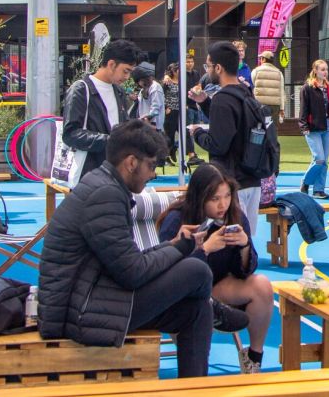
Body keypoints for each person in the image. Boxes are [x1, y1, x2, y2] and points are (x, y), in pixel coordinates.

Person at [38, 120, 248, 377]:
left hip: (92, 299)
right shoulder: (105, 195)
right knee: (196, 271)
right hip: (81, 311)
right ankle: (212, 305)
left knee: (196, 310)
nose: (152, 174)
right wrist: (180, 248)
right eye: (151, 165)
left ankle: (193, 389)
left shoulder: (104, 185)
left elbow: (128, 261)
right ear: (130, 163)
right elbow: (132, 272)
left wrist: (174, 245)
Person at [157, 164, 272, 374]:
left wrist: (244, 245)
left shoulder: (235, 216)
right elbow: (165, 272)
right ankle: (197, 370)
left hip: (218, 285)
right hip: (183, 294)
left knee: (262, 285)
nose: (223, 204)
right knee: (194, 301)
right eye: (215, 198)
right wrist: (205, 250)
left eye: (227, 196)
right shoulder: (177, 220)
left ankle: (253, 357)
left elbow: (245, 271)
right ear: (200, 197)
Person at [189, 42, 263, 235]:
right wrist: (205, 103)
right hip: (252, 177)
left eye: (208, 66)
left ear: (218, 68)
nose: (207, 70)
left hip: (231, 182)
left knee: (232, 242)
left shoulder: (223, 99)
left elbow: (218, 144)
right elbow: (234, 124)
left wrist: (197, 133)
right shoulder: (246, 93)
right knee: (246, 241)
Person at [61, 39, 139, 179]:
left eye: (130, 72)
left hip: (115, 171)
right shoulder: (80, 89)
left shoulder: (119, 91)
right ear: (111, 64)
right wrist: (110, 140)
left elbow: (122, 127)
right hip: (88, 173)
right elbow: (70, 134)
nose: (127, 77)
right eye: (125, 71)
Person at [298, 59, 329, 199]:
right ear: (315, 71)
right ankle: (305, 182)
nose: (325, 72)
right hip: (313, 128)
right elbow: (303, 109)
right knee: (319, 159)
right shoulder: (307, 88)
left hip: (327, 127)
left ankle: (318, 190)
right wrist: (303, 126)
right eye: (322, 69)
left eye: (326, 69)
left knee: (324, 161)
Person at [251, 51, 285, 122]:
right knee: (272, 128)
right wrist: (282, 108)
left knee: (259, 128)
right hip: (275, 106)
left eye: (261, 58)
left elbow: (253, 84)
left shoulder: (256, 71)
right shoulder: (279, 73)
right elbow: (281, 91)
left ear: (263, 59)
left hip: (259, 104)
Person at [132, 63, 165, 133]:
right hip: (145, 122)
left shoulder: (155, 88)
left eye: (138, 81)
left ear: (143, 79)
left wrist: (146, 118)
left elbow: (156, 107)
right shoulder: (144, 89)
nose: (138, 84)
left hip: (153, 124)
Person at [163, 62, 182, 166]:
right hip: (170, 110)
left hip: (180, 111)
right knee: (169, 134)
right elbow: (163, 94)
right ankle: (166, 156)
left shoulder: (182, 81)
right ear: (174, 71)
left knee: (184, 133)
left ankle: (174, 149)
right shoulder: (167, 82)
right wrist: (166, 107)